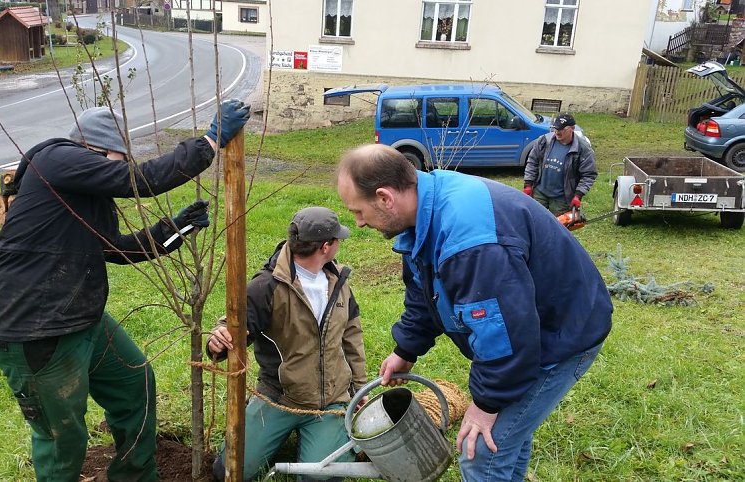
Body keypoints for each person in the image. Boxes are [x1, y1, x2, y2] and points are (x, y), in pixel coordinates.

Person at [0, 99, 250, 482]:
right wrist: (210, 141)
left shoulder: (82, 193)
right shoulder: (56, 160)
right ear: (94, 149)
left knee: (134, 384)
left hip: (82, 319)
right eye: (117, 157)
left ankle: (134, 476)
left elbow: (118, 250)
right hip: (35, 329)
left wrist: (178, 229)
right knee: (63, 440)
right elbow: (140, 180)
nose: (119, 167)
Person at [336, 144, 612, 482]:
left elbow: (506, 335)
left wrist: (485, 405)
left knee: (481, 450)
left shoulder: (470, 242)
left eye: (359, 211)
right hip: (531, 324)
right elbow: (425, 291)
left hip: (562, 332)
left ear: (385, 197)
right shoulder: (424, 207)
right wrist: (406, 349)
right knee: (506, 439)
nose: (359, 223)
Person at [207, 207, 367, 482]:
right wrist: (218, 338)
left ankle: (326, 437)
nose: (340, 243)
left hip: (331, 400)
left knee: (320, 478)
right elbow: (231, 328)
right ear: (326, 246)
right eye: (338, 239)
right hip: (279, 398)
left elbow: (351, 337)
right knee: (231, 471)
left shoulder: (339, 282)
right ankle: (275, 432)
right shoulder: (266, 286)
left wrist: (360, 389)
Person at [523, 113, 598, 216]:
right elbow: (532, 162)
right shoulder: (544, 141)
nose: (557, 132)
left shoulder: (583, 149)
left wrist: (578, 195)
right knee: (536, 222)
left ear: (572, 128)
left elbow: (589, 174)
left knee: (558, 228)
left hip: (562, 199)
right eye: (556, 128)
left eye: (562, 129)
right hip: (539, 193)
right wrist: (528, 184)